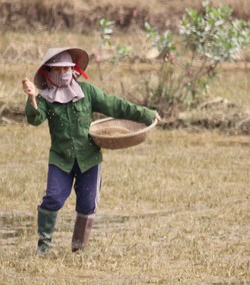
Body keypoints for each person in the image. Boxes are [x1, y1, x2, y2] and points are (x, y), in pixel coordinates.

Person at [21, 47, 160, 254]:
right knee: (54, 197)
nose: (64, 73)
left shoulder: (87, 92)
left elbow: (116, 106)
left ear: (74, 70)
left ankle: (79, 248)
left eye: (68, 68)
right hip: (61, 159)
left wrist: (147, 114)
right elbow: (35, 119)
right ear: (48, 72)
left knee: (87, 203)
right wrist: (32, 97)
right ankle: (44, 245)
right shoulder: (45, 99)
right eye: (58, 69)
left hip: (89, 158)